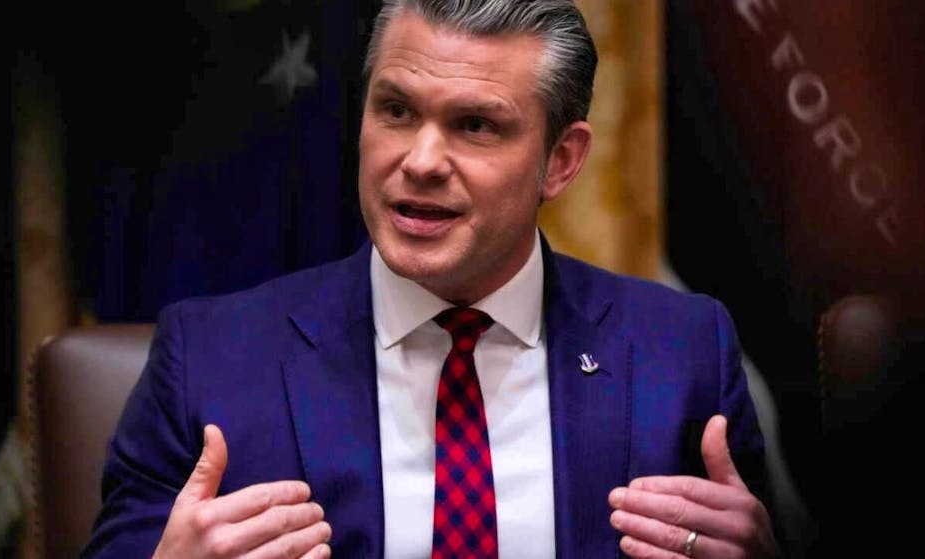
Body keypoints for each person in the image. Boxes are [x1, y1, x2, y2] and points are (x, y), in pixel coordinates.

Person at [82, 1, 780, 557]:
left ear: (562, 160)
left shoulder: (683, 352)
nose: (420, 160)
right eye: (396, 111)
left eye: (475, 125)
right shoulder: (209, 357)